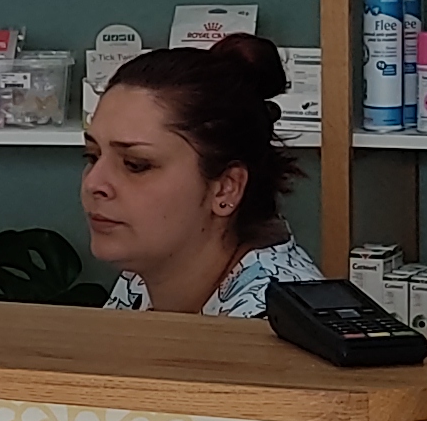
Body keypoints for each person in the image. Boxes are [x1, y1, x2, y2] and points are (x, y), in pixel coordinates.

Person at [82, 35, 319, 317]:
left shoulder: (273, 323)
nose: (93, 183)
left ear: (225, 189)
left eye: (136, 165)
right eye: (92, 156)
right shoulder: (144, 270)